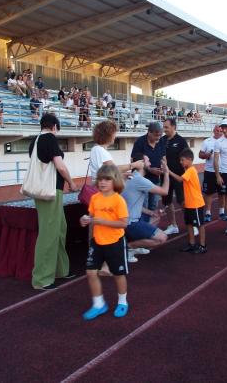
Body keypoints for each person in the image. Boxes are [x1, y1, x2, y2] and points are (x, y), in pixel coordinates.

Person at [29, 114, 77, 290]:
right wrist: (71, 182)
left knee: (59, 229)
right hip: (50, 191)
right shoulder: (49, 138)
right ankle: (41, 278)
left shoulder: (35, 141)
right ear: (54, 127)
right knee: (49, 233)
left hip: (46, 190)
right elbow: (60, 166)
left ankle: (59, 269)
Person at [79, 164, 129, 320]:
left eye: (107, 179)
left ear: (115, 181)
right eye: (100, 179)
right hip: (97, 241)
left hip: (115, 242)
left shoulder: (118, 200)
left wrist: (102, 221)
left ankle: (122, 302)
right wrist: (84, 220)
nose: (102, 182)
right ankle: (99, 304)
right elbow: (91, 217)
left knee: (118, 274)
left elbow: (124, 223)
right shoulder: (95, 198)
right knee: (90, 272)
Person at [121, 155, 170, 262]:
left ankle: (135, 243)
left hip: (124, 219)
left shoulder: (130, 177)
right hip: (130, 223)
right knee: (162, 238)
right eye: (147, 161)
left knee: (155, 217)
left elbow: (132, 203)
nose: (150, 163)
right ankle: (129, 247)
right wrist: (166, 173)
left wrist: (151, 212)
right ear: (140, 163)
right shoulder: (139, 180)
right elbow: (164, 191)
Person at [167, 149, 208, 254]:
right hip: (189, 203)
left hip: (196, 203)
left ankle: (203, 245)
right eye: (180, 160)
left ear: (190, 159)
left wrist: (169, 171)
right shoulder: (187, 170)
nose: (181, 162)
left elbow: (180, 179)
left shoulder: (191, 170)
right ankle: (192, 244)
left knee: (200, 224)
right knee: (189, 224)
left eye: (182, 160)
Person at [130, 122, 166, 222]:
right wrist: (150, 169)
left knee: (153, 205)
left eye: (160, 135)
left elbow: (163, 157)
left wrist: (163, 168)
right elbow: (135, 161)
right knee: (143, 205)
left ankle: (150, 227)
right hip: (142, 180)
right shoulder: (140, 142)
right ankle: (142, 225)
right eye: (156, 135)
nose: (158, 138)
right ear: (149, 132)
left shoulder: (161, 141)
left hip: (155, 179)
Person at [158, 118, 189, 235]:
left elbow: (188, 159)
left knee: (183, 201)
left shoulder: (181, 141)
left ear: (174, 127)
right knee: (167, 201)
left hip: (178, 176)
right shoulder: (162, 140)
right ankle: (173, 225)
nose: (164, 129)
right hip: (165, 176)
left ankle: (191, 224)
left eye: (166, 127)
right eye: (163, 127)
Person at [200, 125, 225, 222]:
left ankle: (222, 212)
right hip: (209, 171)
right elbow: (200, 154)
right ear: (213, 131)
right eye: (217, 130)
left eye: (220, 131)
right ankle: (208, 213)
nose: (219, 132)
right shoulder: (207, 141)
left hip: (223, 171)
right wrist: (206, 155)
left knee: (222, 193)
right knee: (208, 193)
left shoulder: (225, 141)